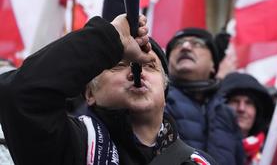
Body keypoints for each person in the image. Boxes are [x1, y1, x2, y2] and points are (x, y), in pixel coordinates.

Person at [0, 14, 216, 165]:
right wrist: (108, 39)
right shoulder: (71, 143)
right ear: (90, 94)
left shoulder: (197, 162)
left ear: (165, 91)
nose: (136, 72)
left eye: (150, 66)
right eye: (119, 66)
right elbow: (20, 93)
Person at [164, 28, 245, 165]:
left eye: (197, 44)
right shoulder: (160, 100)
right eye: (178, 44)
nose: (185, 47)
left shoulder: (226, 113)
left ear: (213, 65)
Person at [219, 72, 275, 165]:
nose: (241, 108)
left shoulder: (271, 150)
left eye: (249, 103)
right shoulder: (208, 145)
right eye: (235, 101)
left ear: (258, 111)